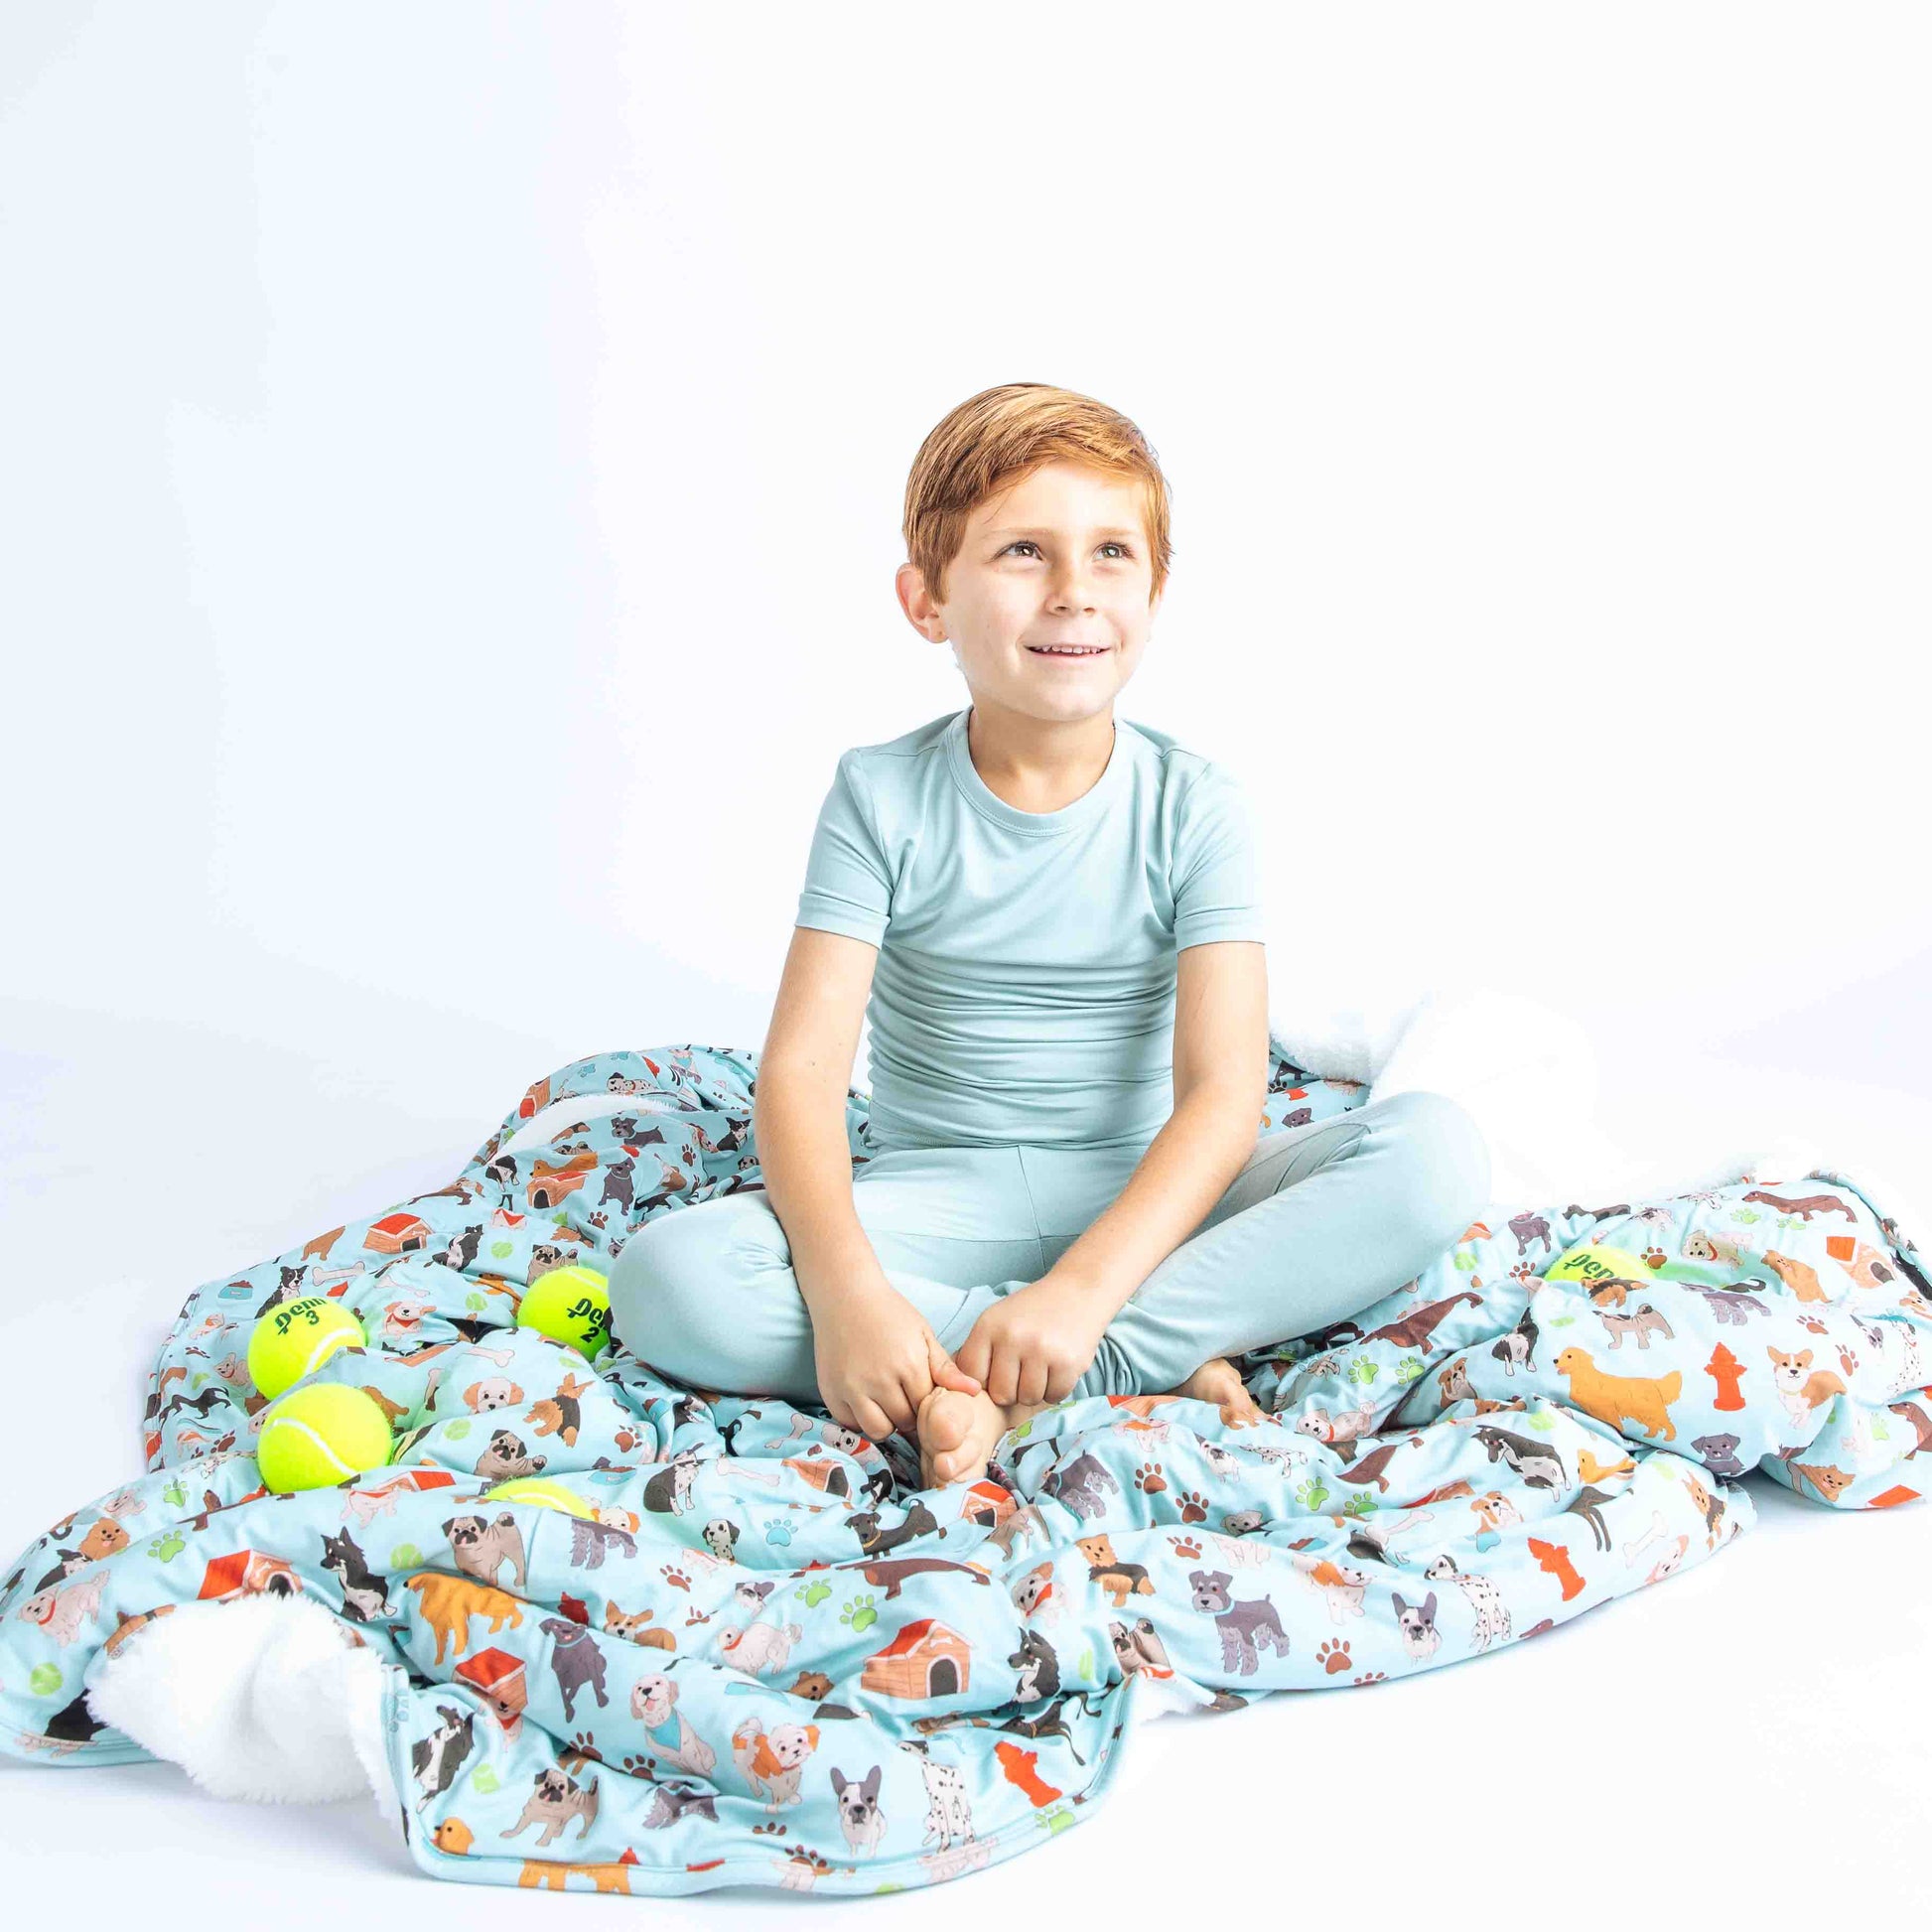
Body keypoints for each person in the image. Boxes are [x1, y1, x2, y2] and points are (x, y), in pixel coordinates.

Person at [608, 382, 1491, 1492]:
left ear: (1155, 592)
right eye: (1023, 551)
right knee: (670, 1278)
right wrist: (850, 1298)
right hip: (935, 1199)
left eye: (1111, 552)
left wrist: (1080, 1299)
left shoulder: (1198, 805)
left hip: (1144, 1200)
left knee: (1430, 1154)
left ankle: (1079, 1362)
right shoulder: (879, 794)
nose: (1073, 591)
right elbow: (799, 1069)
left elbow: (1224, 1095)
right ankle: (1129, 1355)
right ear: (924, 599)